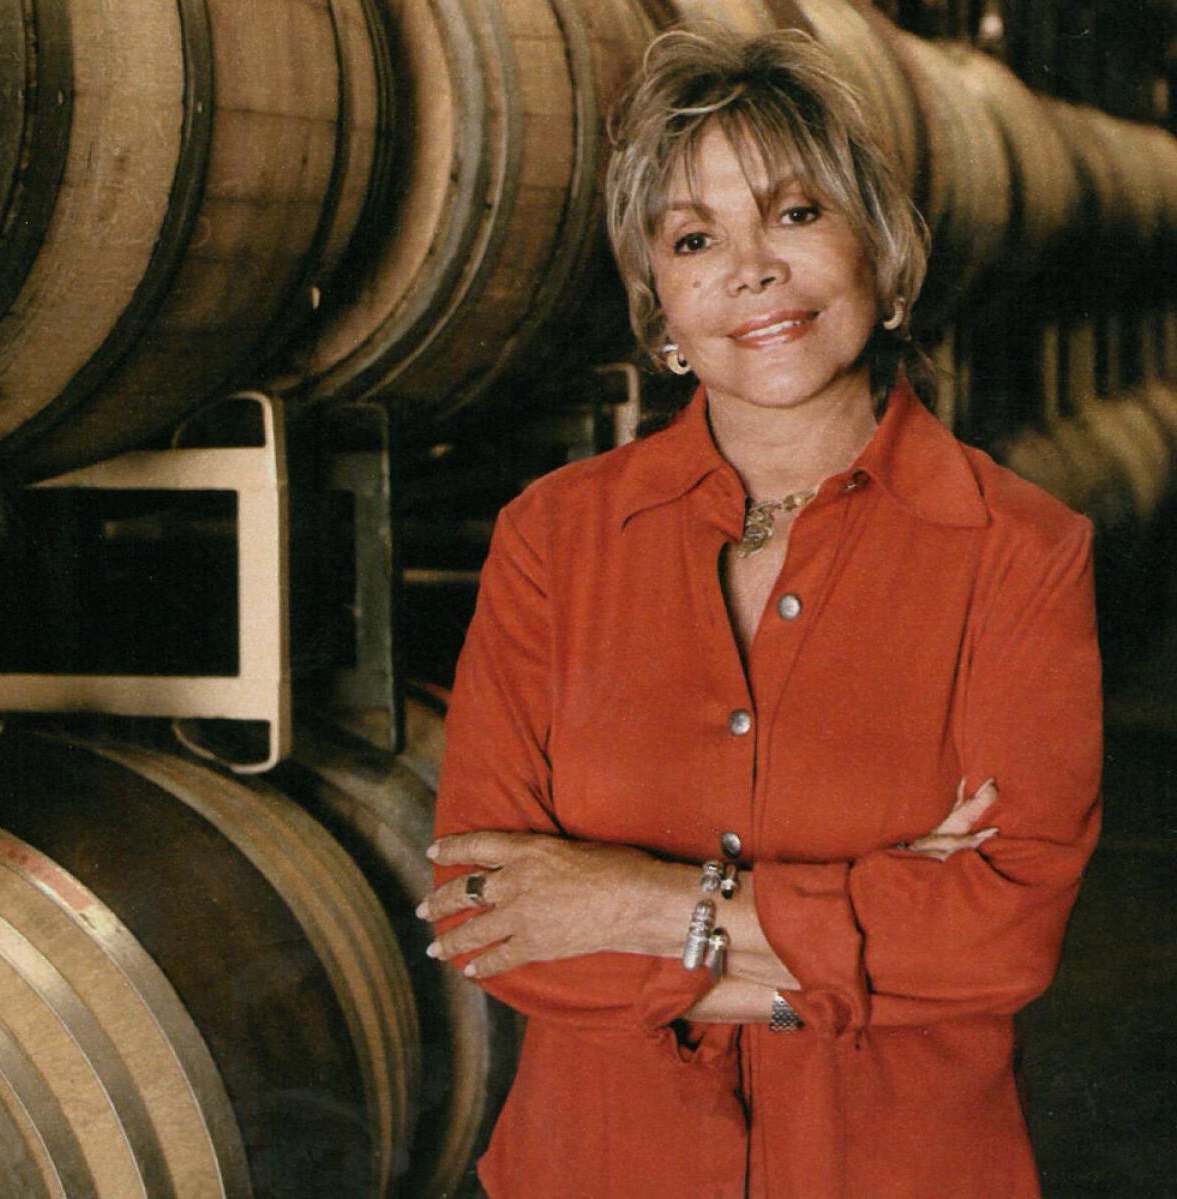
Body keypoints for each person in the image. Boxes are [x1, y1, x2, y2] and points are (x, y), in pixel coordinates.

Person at [417, 25, 1102, 1198]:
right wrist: (853, 949)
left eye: (795, 214)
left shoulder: (1021, 552)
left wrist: (626, 900)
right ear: (660, 310)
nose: (752, 268)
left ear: (883, 259)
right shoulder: (554, 540)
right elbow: (489, 917)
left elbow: (1003, 933)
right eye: (695, 238)